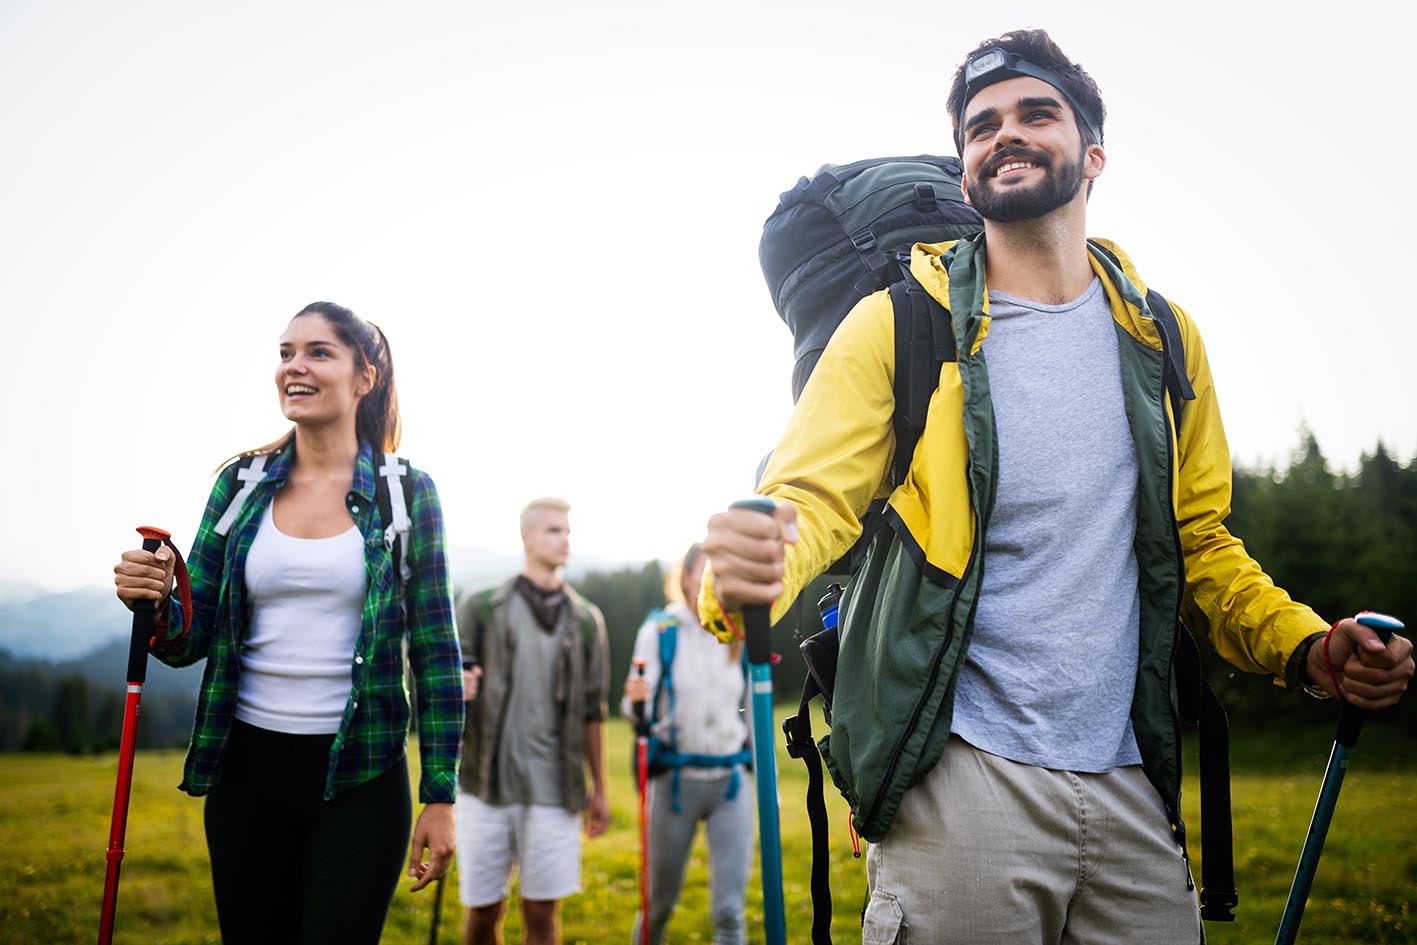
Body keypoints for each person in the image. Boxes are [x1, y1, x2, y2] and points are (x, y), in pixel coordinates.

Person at [697, 29, 1415, 945]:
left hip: (1130, 785)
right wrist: (726, 580)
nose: (1006, 134)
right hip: (956, 783)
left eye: (1037, 113)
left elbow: (1199, 545)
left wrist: (1309, 649)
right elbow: (807, 498)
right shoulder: (898, 325)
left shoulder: (1162, 338)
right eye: (981, 125)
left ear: (1093, 153)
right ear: (964, 172)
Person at [112, 301, 464, 945]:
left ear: (366, 376)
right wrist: (158, 602)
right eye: (285, 353)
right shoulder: (240, 484)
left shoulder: (406, 492)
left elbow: (437, 653)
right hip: (247, 775)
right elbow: (193, 635)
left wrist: (439, 795)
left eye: (318, 352)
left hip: (361, 777)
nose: (294, 367)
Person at [454, 497, 610, 945]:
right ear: (527, 537)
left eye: (567, 531)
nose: (564, 540)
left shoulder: (586, 620)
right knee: (484, 914)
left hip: (554, 791)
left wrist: (599, 787)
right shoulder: (480, 605)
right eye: (553, 530)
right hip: (485, 787)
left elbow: (592, 709)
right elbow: (448, 683)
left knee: (541, 915)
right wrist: (458, 685)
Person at [621, 543, 754, 945]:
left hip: (731, 784)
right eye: (706, 571)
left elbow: (751, 713)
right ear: (687, 577)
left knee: (730, 912)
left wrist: (767, 788)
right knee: (658, 905)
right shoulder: (660, 630)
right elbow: (633, 708)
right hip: (674, 784)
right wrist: (635, 698)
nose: (714, 580)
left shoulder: (737, 631)